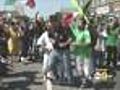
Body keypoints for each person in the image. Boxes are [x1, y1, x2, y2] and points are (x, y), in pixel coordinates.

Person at [70, 19, 92, 85]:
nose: (78, 24)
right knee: (79, 69)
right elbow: (71, 27)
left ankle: (86, 80)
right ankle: (84, 80)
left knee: (85, 69)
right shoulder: (77, 31)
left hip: (85, 54)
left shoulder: (86, 32)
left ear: (84, 25)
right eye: (78, 23)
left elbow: (88, 42)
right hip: (78, 53)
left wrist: (78, 44)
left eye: (80, 23)